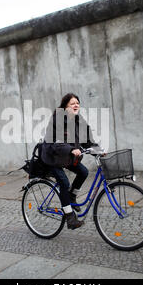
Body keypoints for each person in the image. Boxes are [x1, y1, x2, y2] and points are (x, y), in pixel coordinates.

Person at [40, 93, 99, 230]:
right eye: (72, 103)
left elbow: (87, 139)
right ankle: (69, 217)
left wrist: (98, 149)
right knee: (64, 183)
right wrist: (71, 149)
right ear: (65, 106)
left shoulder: (79, 120)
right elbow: (56, 142)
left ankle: (72, 197)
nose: (76, 105)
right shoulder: (57, 119)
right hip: (52, 156)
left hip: (67, 157)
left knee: (83, 172)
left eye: (77, 103)